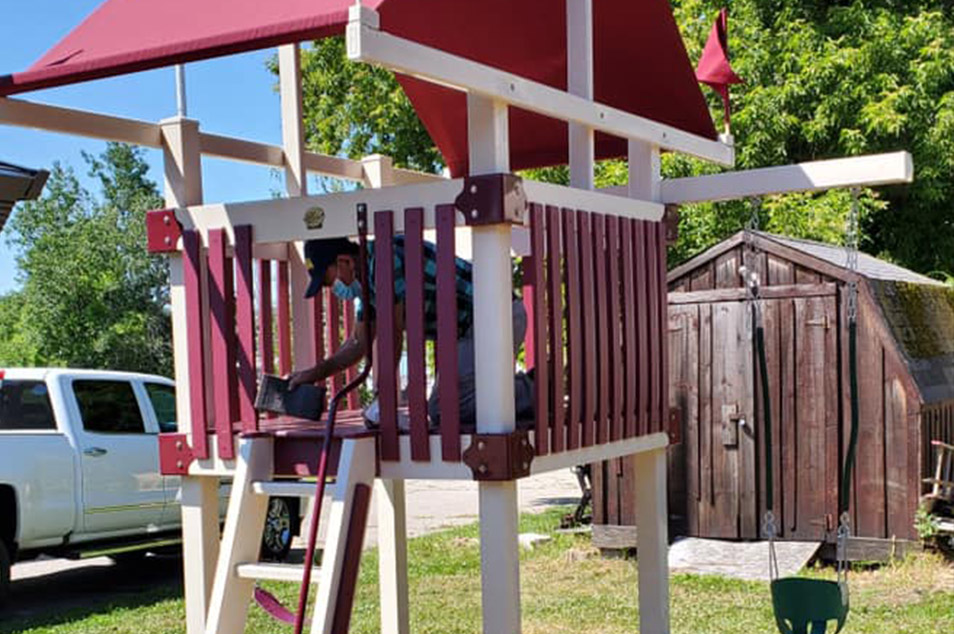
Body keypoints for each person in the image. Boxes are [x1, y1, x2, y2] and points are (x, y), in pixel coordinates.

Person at [288, 236, 533, 430]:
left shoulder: (384, 259)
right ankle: (527, 389)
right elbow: (358, 345)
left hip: (496, 316)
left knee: (447, 410)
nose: (333, 289)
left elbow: (393, 332)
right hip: (472, 329)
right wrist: (313, 374)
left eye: (329, 281)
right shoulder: (369, 286)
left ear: (345, 261)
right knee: (447, 407)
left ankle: (537, 389)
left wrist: (384, 399)